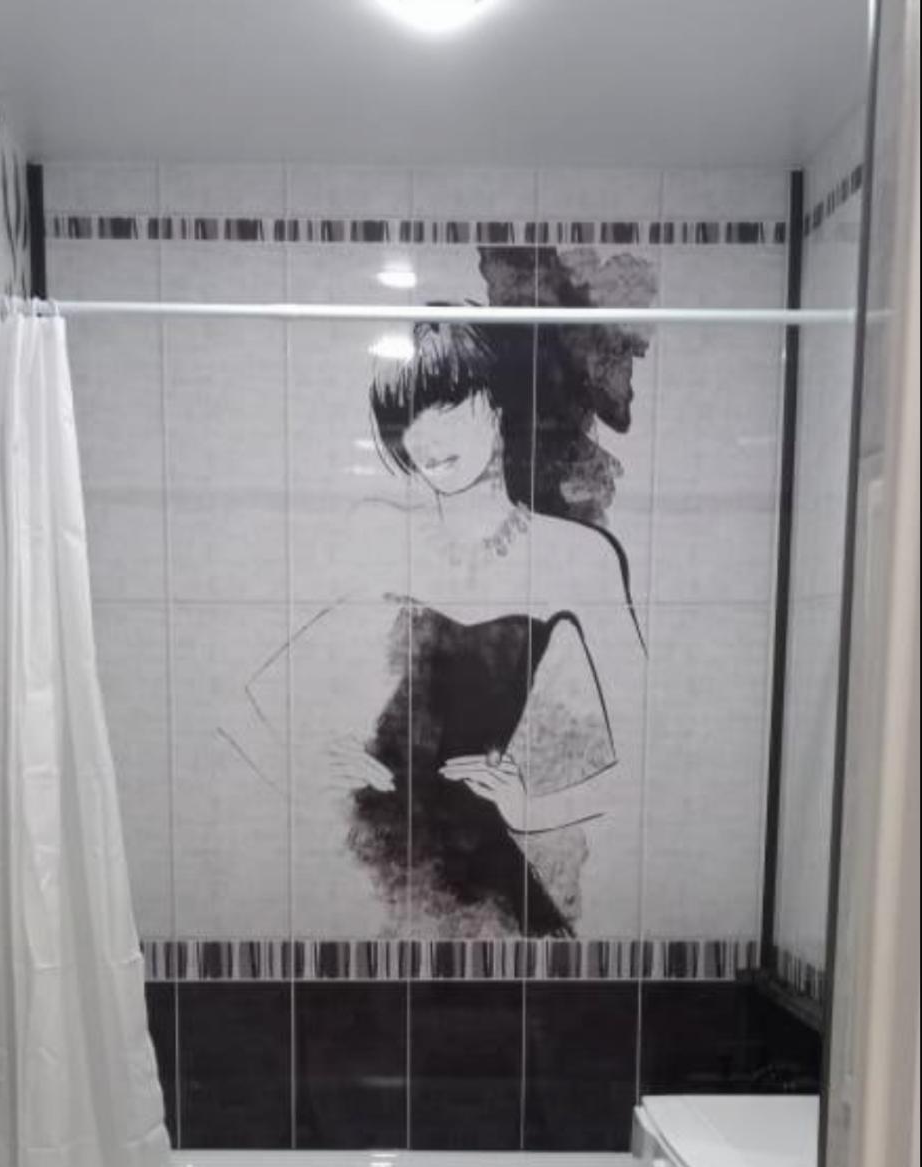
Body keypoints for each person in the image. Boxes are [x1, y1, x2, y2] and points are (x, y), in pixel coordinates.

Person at [221, 308, 646, 939]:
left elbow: (650, 757)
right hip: (361, 871)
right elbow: (241, 705)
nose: (425, 437)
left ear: (497, 403)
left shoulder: (578, 557)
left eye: (448, 405)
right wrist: (303, 771)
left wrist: (533, 810)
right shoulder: (377, 532)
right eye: (408, 416)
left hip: (485, 886)